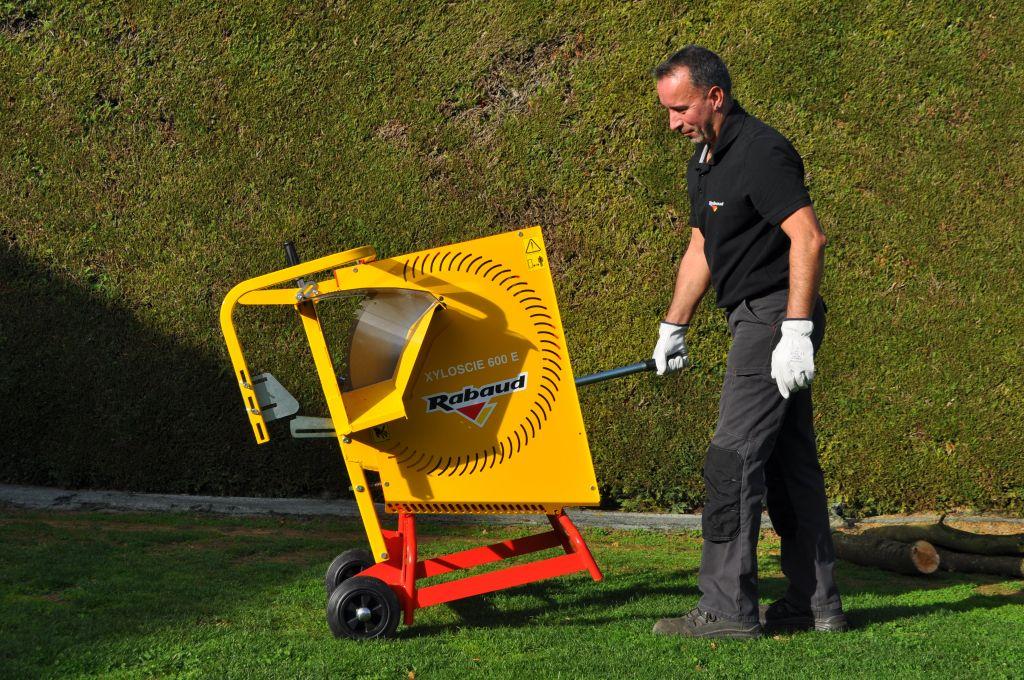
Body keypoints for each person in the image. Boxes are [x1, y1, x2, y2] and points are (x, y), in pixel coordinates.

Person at [649, 46, 846, 639]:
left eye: (681, 107)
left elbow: (807, 239)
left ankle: (725, 610)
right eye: (667, 110)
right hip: (754, 319)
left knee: (731, 462)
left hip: (773, 320)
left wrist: (795, 331)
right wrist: (673, 325)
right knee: (790, 467)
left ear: (716, 96)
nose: (673, 121)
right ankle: (815, 605)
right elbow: (700, 250)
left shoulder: (762, 151)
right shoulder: (704, 162)